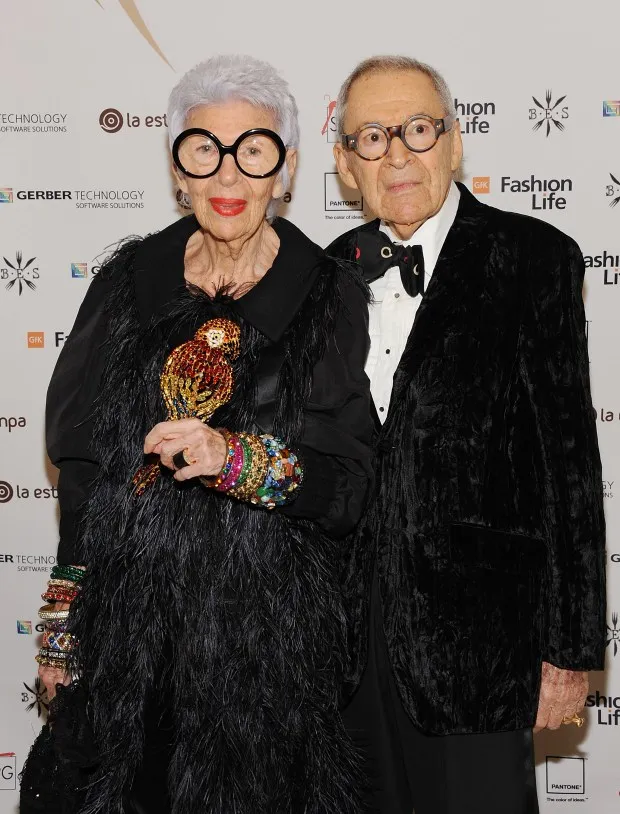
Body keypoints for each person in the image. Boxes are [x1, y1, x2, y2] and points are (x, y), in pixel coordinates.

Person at [21, 54, 374, 814]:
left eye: (253, 150)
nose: (227, 174)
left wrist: (236, 459)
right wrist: (62, 627)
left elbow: (348, 485)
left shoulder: (327, 298)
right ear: (178, 169)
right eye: (203, 149)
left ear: (283, 172)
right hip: (131, 648)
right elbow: (84, 474)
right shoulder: (125, 287)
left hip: (267, 658)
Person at [327, 55, 606, 814]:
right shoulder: (325, 277)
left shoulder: (533, 258)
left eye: (418, 129)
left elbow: (570, 467)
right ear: (345, 165)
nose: (398, 154)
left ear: (454, 143)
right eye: (372, 137)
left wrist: (572, 652)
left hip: (481, 646)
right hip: (343, 650)